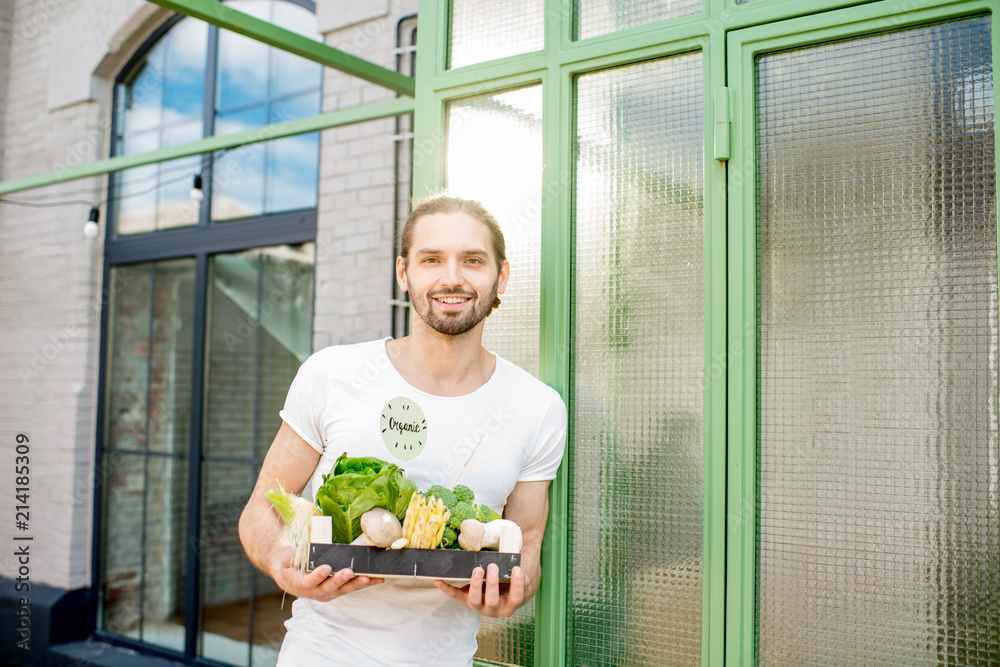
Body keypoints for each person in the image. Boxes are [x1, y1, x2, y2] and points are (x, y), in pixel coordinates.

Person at [238, 195, 568, 666]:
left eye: (473, 260)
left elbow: (527, 545)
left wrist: (513, 592)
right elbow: (260, 509)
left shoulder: (538, 408)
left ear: (502, 276)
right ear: (403, 273)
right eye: (431, 259)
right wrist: (279, 563)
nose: (451, 277)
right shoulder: (331, 373)